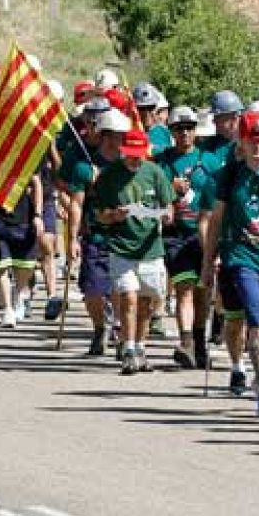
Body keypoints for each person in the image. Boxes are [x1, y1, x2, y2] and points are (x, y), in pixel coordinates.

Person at [201, 112, 259, 417]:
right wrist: (207, 260)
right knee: (257, 324)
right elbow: (216, 221)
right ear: (241, 142)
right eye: (252, 141)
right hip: (242, 259)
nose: (258, 146)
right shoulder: (229, 175)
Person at [88, 128, 175, 374]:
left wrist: (167, 215)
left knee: (147, 302)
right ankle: (126, 348)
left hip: (150, 247)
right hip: (121, 246)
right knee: (129, 297)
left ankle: (140, 347)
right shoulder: (109, 176)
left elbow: (169, 206)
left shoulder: (155, 173)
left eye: (138, 155)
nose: (134, 160)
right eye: (130, 154)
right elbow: (99, 216)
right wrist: (115, 215)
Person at [62, 105, 122, 356]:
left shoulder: (129, 166)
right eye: (111, 134)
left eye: (120, 134)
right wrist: (73, 238)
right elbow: (76, 204)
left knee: (122, 288)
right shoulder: (85, 167)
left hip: (124, 237)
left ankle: (121, 331)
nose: (116, 139)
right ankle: (100, 326)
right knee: (93, 290)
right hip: (95, 235)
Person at [156, 106, 212, 369]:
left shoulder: (209, 161)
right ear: (172, 132)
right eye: (179, 129)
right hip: (175, 236)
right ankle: (187, 341)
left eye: (189, 128)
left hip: (204, 236)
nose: (185, 133)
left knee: (203, 292)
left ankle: (200, 342)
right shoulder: (162, 162)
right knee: (184, 289)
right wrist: (170, 188)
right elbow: (151, 192)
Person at [0, 171, 44, 329]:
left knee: (25, 266)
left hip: (23, 217)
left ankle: (18, 295)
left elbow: (36, 182)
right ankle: (8, 309)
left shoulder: (25, 152)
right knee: (0, 266)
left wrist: (37, 215)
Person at [132, 84, 173, 155]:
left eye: (150, 107)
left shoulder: (166, 133)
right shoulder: (128, 132)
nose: (146, 112)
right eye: (141, 108)